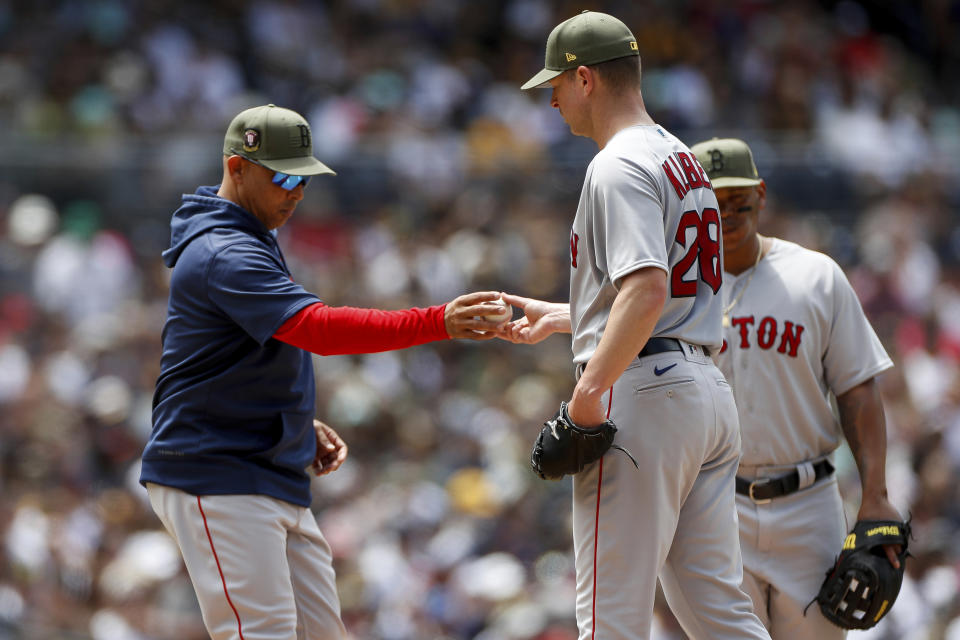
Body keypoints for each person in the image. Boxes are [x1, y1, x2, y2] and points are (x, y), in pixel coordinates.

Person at [140, 104, 509, 640]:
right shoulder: (223, 249)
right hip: (214, 470)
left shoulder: (249, 232)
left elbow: (226, 360)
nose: (296, 191)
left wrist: (293, 423)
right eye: (283, 176)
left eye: (304, 178)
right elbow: (317, 329)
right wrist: (436, 321)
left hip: (262, 465)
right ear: (237, 167)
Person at [502, 12, 770, 639]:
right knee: (720, 615)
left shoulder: (617, 164)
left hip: (644, 395)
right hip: (703, 393)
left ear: (586, 79)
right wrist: (572, 318)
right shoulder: (682, 158)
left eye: (557, 84)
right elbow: (678, 297)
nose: (553, 99)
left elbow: (648, 292)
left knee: (609, 619)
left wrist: (587, 396)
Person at [689, 137, 903, 638]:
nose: (728, 213)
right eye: (714, 203)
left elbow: (858, 391)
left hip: (808, 505)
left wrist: (876, 495)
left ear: (761, 194)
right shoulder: (673, 289)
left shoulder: (815, 277)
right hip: (714, 504)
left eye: (739, 199)